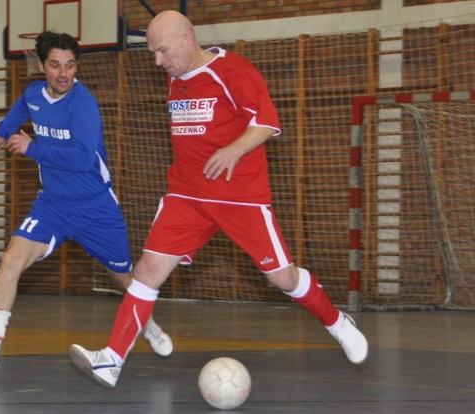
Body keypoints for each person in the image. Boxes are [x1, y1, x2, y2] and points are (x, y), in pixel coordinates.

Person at [69, 10, 368, 388]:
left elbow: (266, 121)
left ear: (187, 39)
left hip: (239, 195)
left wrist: (233, 150)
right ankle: (110, 360)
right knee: (146, 271)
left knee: (282, 278)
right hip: (187, 195)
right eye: (153, 54)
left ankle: (337, 322)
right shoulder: (176, 79)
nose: (158, 61)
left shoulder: (234, 71)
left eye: (162, 51)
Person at [0, 31, 173, 372]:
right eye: (55, 65)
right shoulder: (34, 94)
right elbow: (21, 108)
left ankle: (149, 325)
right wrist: (0, 132)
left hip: (95, 206)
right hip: (53, 205)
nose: (63, 74)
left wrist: (32, 148)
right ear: (41, 65)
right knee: (11, 259)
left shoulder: (83, 103)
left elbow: (84, 158)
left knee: (125, 280)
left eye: (70, 65)